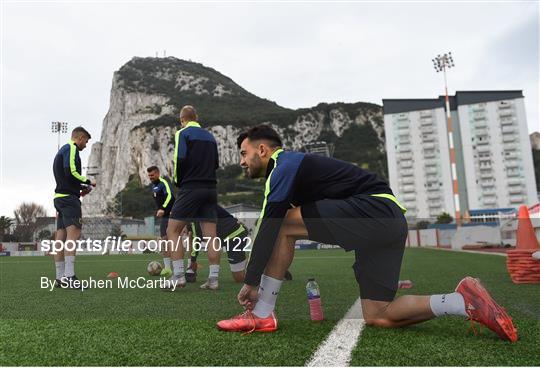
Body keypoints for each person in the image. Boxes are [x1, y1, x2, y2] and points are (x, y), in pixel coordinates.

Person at [216, 125, 518, 343]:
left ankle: (263, 313)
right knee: (379, 314)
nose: (242, 161)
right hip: (390, 222)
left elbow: (271, 225)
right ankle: (459, 301)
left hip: (373, 210)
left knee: (281, 224)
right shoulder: (295, 172)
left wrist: (252, 281)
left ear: (263, 149)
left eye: (244, 153)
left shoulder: (283, 165)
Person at [163, 105, 221, 291]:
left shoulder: (183, 133)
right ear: (197, 117)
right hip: (211, 188)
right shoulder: (211, 136)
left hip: (191, 187)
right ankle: (213, 279)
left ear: (182, 120)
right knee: (211, 235)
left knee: (173, 230)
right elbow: (216, 164)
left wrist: (177, 181)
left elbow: (179, 159)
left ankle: (178, 276)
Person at [188, 205, 293, 286]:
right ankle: (266, 265)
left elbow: (195, 240)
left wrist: (192, 262)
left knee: (240, 278)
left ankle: (273, 270)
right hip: (229, 236)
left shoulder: (195, 213)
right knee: (239, 277)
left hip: (234, 235)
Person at [52, 126, 96, 289]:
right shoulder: (71, 148)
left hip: (60, 197)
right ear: (80, 137)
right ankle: (69, 277)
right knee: (73, 235)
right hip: (69, 200)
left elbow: (66, 178)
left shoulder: (63, 150)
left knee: (60, 237)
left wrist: (80, 190)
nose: (85, 144)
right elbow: (70, 171)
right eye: (86, 141)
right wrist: (88, 181)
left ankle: (59, 278)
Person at [147, 166, 175, 277]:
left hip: (172, 214)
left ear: (158, 173)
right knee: (164, 241)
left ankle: (181, 267)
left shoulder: (163, 183)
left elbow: (170, 196)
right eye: (149, 176)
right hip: (165, 217)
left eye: (152, 175)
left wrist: (163, 208)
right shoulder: (154, 186)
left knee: (171, 241)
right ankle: (168, 268)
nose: (150, 177)